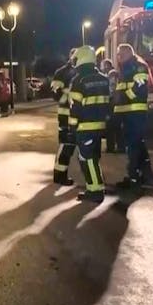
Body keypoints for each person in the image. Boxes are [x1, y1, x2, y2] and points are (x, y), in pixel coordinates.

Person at [68, 46, 112, 203]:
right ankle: (94, 187)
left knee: (88, 159)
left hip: (85, 127)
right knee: (93, 158)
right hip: (100, 126)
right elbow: (109, 103)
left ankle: (95, 190)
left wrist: (72, 128)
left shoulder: (78, 80)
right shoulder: (104, 78)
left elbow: (75, 107)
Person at [113, 43, 153, 189]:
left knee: (133, 146)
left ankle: (134, 177)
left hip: (135, 113)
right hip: (127, 112)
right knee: (138, 145)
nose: (119, 57)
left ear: (129, 53)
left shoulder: (138, 66)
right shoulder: (124, 68)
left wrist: (124, 97)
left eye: (121, 54)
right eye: (118, 55)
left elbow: (140, 87)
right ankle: (146, 176)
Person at [50, 48, 78, 186]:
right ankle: (59, 175)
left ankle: (62, 174)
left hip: (79, 114)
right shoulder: (61, 72)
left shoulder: (81, 71)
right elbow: (55, 93)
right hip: (66, 114)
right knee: (66, 144)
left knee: (72, 146)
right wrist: (68, 99)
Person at [100, 58, 124, 153]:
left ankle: (111, 147)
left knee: (111, 126)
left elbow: (112, 89)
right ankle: (119, 147)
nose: (102, 69)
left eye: (103, 66)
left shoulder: (112, 74)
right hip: (117, 103)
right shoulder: (114, 73)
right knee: (117, 127)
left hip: (113, 103)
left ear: (107, 66)